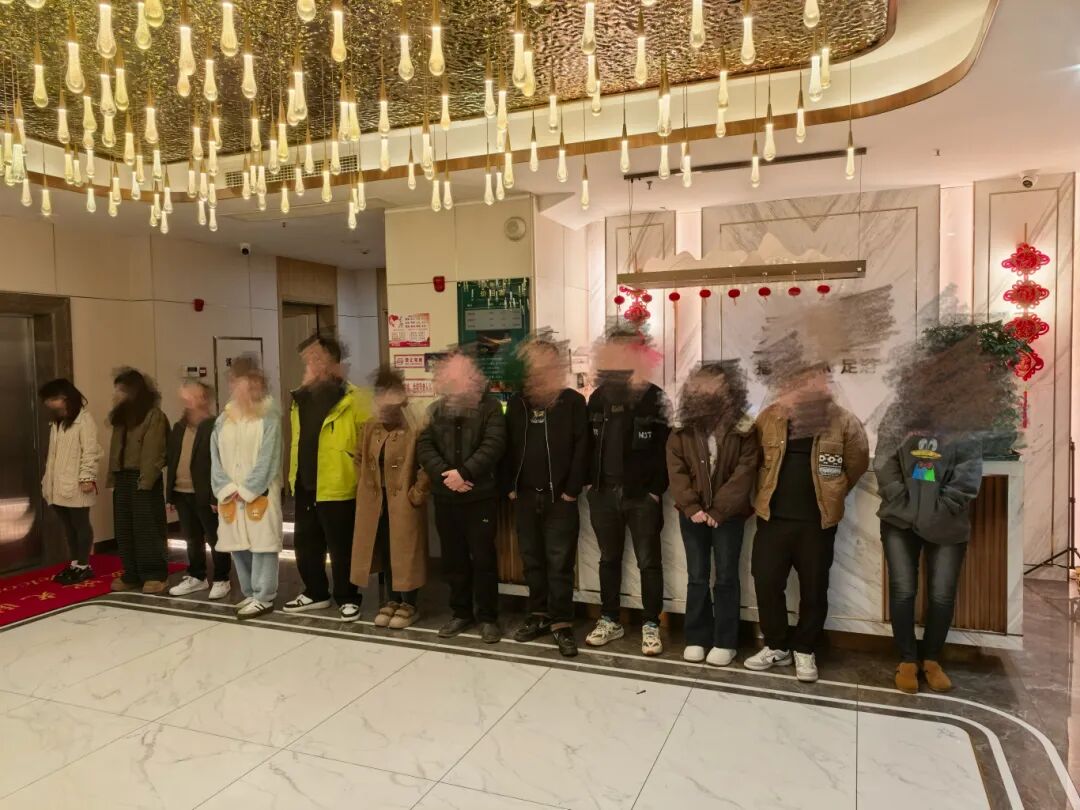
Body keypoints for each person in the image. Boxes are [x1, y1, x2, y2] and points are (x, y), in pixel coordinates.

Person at [745, 364, 869, 682]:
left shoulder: (843, 421)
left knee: (814, 588)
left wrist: (835, 491)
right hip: (773, 518)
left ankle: (805, 648)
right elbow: (753, 458)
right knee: (766, 581)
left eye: (821, 379)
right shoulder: (770, 417)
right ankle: (776, 645)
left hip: (817, 523)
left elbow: (856, 462)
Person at [666, 362, 759, 666]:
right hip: (692, 515)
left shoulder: (744, 426)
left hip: (728, 517)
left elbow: (745, 472)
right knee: (697, 577)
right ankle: (696, 637)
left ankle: (725, 641)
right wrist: (692, 507)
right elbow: (676, 469)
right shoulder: (682, 426)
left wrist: (720, 510)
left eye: (717, 384)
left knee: (727, 577)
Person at [585, 330, 671, 656]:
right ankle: (610, 619)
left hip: (641, 496)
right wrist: (589, 483)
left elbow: (666, 449)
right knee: (609, 559)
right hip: (604, 493)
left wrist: (655, 490)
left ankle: (651, 623)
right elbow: (587, 444)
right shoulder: (598, 397)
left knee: (649, 562)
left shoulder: (655, 397)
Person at [504, 339, 588, 658]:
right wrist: (510, 486)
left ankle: (561, 622)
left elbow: (583, 448)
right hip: (525, 496)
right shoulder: (517, 403)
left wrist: (571, 491)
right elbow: (507, 446)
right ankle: (538, 614)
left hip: (560, 499)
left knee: (560, 563)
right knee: (532, 560)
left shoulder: (572, 402)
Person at [417, 352, 506, 643]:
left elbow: (494, 445)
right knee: (453, 559)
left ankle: (488, 617)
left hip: (480, 497)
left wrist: (465, 473)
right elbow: (424, 446)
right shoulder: (434, 410)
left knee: (483, 558)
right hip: (446, 497)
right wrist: (447, 476)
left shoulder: (490, 408)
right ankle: (461, 612)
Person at [284, 335, 371, 621]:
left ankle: (348, 597)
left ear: (333, 362)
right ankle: (315, 592)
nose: (311, 364)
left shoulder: (354, 398)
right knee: (306, 543)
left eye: (317, 358)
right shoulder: (300, 398)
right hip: (306, 482)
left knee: (341, 546)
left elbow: (366, 443)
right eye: (308, 359)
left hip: (339, 483)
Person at [351, 368, 430, 630]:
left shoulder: (415, 426)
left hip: (404, 501)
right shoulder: (370, 426)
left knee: (406, 551)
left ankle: (410, 603)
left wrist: (417, 493)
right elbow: (358, 457)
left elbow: (427, 465)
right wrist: (365, 483)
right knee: (385, 548)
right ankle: (391, 599)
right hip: (376, 501)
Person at [211, 358, 283, 620]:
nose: (239, 388)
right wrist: (225, 487)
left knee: (262, 544)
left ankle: (264, 595)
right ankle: (250, 591)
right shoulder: (224, 419)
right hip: (231, 495)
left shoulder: (269, 417)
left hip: (259, 493)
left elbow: (269, 459)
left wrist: (248, 488)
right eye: (235, 382)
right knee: (238, 544)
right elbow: (215, 457)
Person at [107, 368, 170, 594]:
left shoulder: (153, 416)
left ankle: (155, 574)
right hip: (122, 477)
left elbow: (154, 451)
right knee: (124, 528)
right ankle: (131, 573)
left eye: (121, 389)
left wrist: (146, 481)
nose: (116, 394)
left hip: (143, 478)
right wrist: (112, 478)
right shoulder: (121, 417)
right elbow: (116, 450)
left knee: (147, 528)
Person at [167, 381, 231, 600]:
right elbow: (173, 459)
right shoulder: (179, 427)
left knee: (215, 537)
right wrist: (170, 494)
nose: (187, 400)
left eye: (192, 396)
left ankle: (222, 578)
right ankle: (197, 576)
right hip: (182, 491)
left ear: (203, 398)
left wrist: (216, 495)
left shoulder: (215, 425)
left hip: (205, 493)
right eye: (185, 396)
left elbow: (220, 462)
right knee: (191, 538)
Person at [40, 378, 102, 585]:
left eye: (50, 399)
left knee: (80, 525)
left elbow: (90, 451)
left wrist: (87, 477)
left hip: (77, 483)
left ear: (63, 397)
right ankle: (75, 563)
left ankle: (84, 566)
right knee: (68, 526)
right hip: (58, 483)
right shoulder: (57, 421)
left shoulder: (84, 420)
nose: (47, 403)